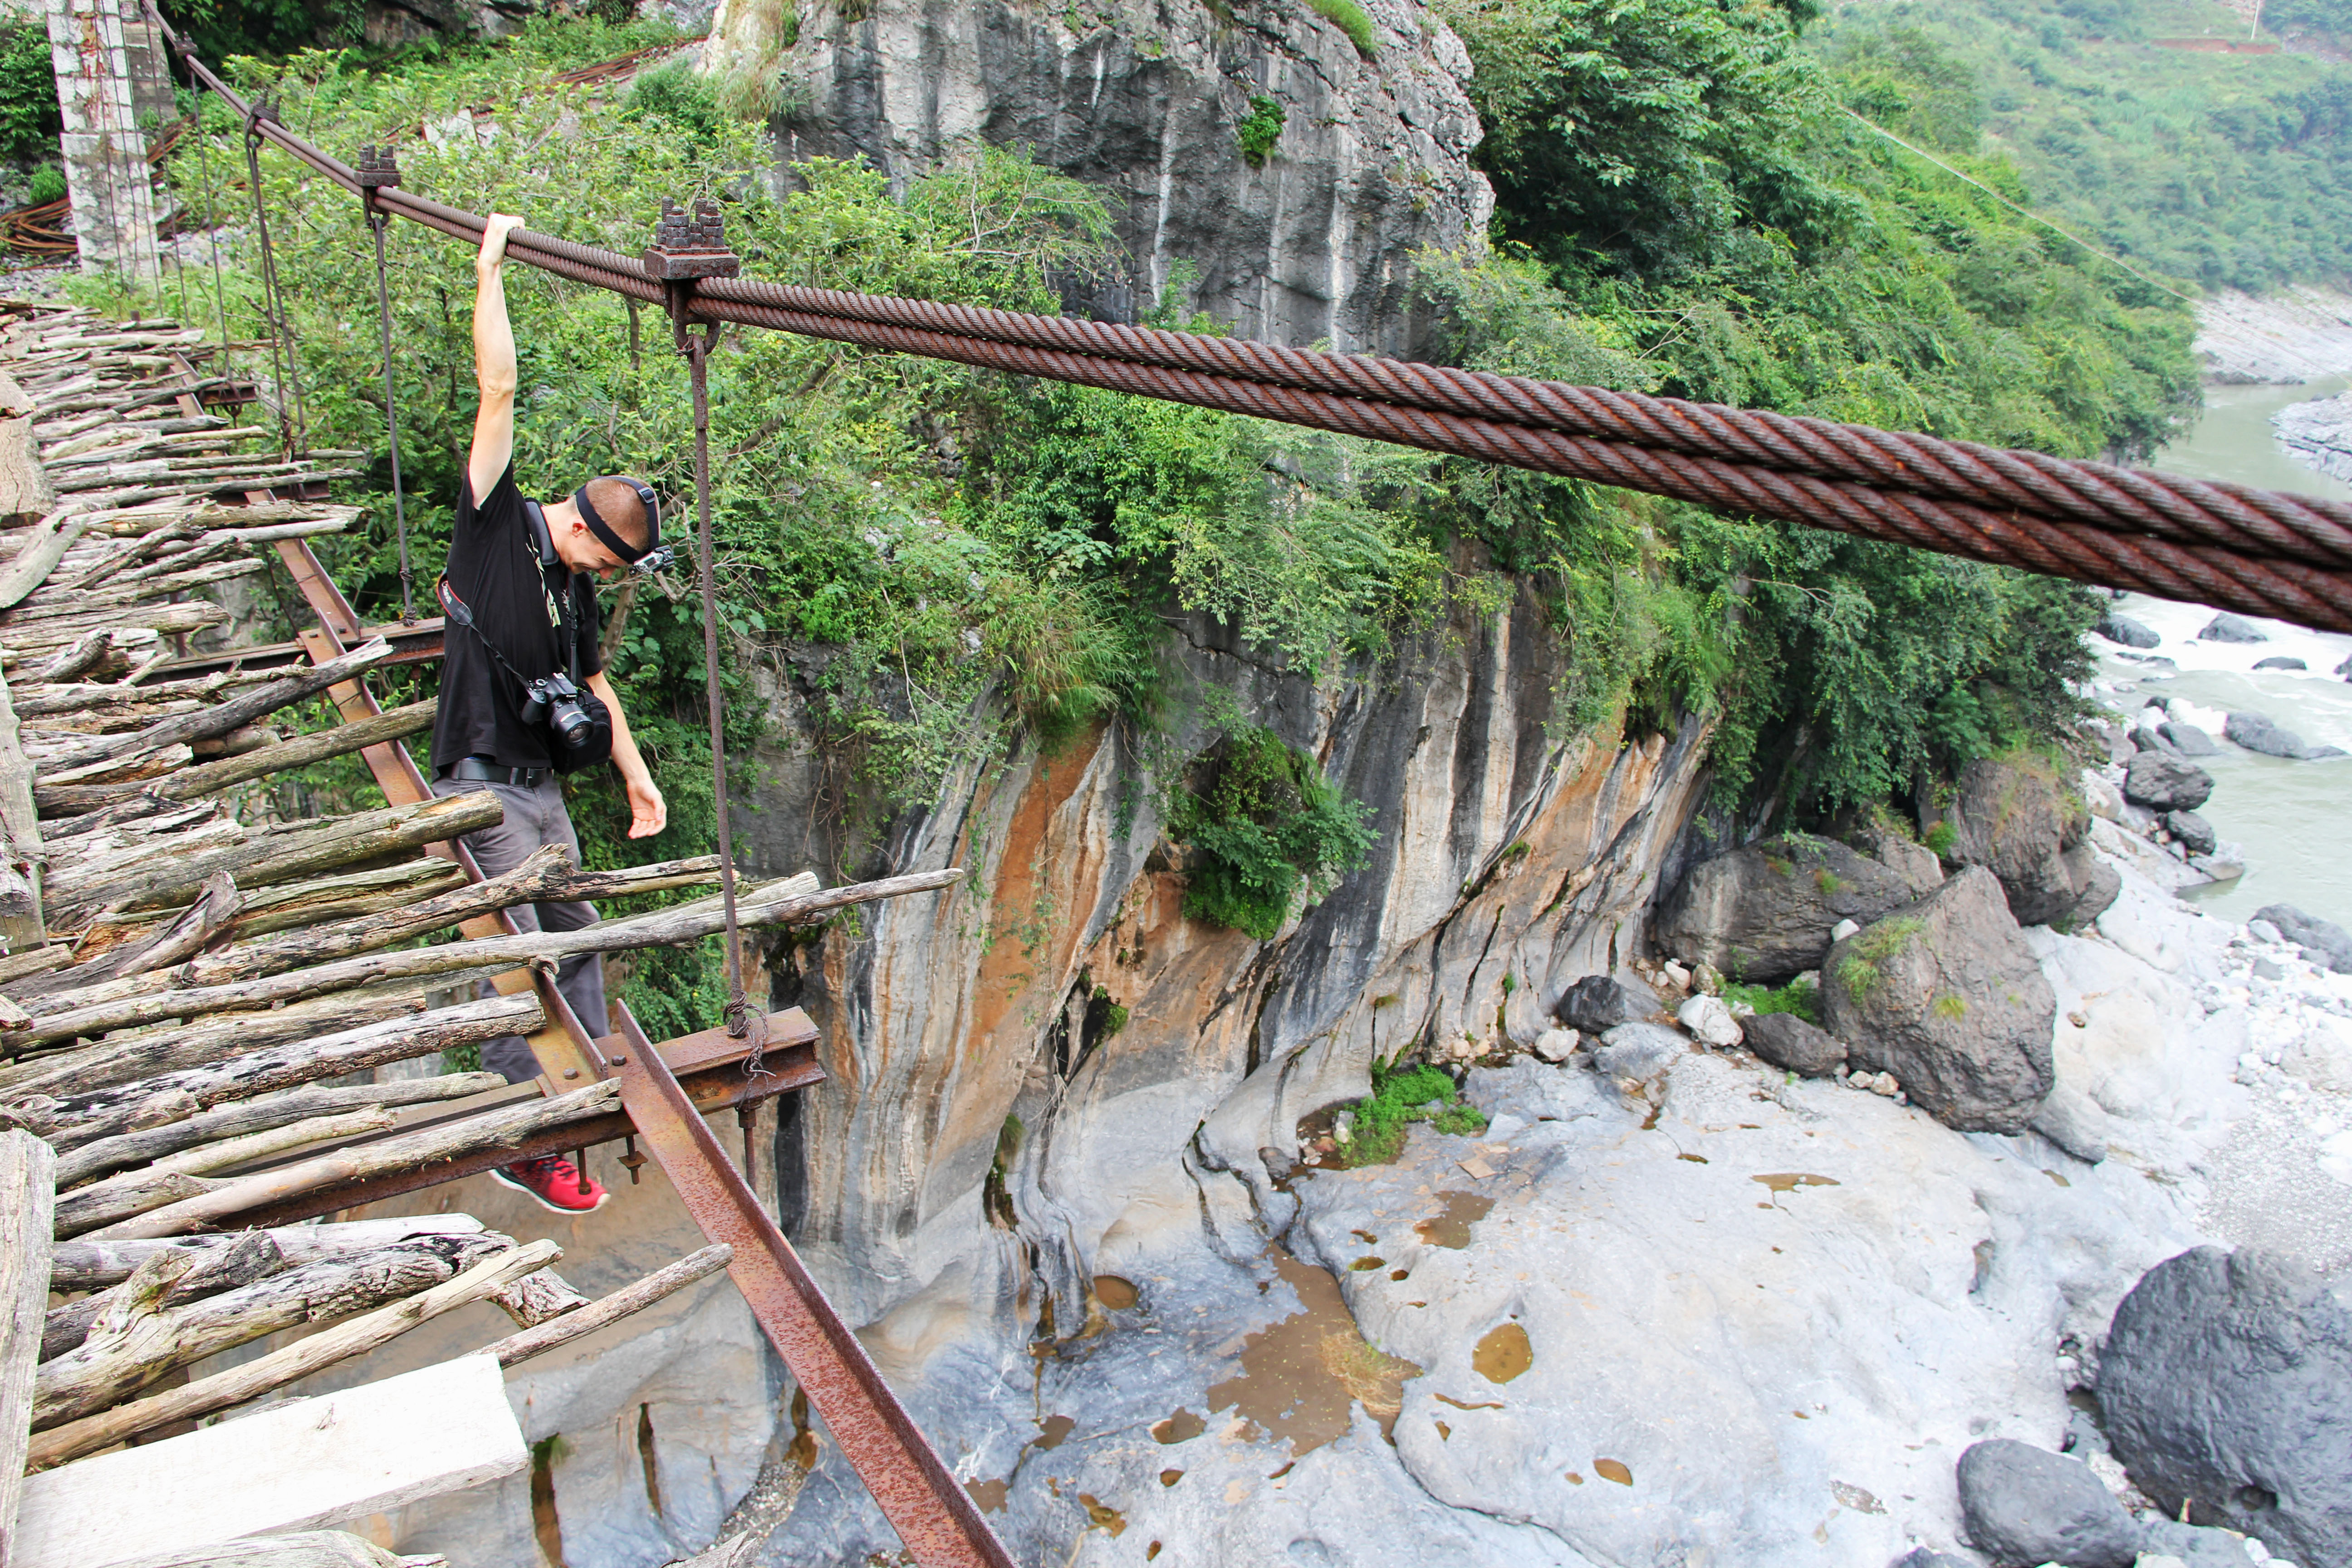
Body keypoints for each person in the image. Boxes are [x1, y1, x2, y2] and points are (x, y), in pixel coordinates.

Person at [430, 213, 669, 1215]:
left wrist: (638, 776)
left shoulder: (573, 585)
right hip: (482, 784)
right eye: (606, 559)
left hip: (543, 794)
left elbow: (595, 685)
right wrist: (489, 268)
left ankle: (584, 1085)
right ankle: (522, 1133)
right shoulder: (495, 528)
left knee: (578, 930)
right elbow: (498, 390)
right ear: (576, 523)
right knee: (519, 952)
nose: (603, 575)